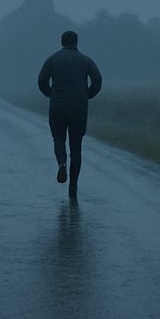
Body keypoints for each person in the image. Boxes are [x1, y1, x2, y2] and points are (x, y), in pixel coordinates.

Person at [37, 30, 102, 199]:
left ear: (61, 42)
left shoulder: (52, 59)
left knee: (58, 138)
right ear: (76, 42)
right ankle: (73, 186)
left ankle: (61, 163)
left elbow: (41, 81)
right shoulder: (86, 61)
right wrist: (86, 95)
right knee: (76, 147)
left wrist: (51, 94)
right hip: (79, 108)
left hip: (58, 106)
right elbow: (97, 80)